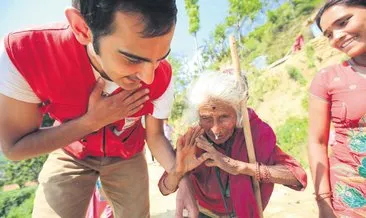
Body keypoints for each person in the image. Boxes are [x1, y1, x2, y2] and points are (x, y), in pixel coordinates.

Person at [0, 0, 198, 217]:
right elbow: (15, 148)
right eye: (131, 59)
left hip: (128, 155)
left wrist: (182, 176)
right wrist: (91, 122)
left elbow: (156, 136)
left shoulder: (162, 76)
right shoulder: (25, 54)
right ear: (82, 28)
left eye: (161, 57)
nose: (149, 77)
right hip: (70, 152)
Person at [158, 71, 307, 218]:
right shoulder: (194, 140)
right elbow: (164, 188)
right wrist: (179, 173)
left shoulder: (253, 135)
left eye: (224, 117)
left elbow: (297, 176)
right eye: (206, 118)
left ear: (238, 114)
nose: (216, 130)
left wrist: (240, 167)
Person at [308, 1, 366, 217]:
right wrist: (324, 204)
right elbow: (317, 142)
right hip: (353, 200)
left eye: (343, 22)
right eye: (329, 34)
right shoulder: (328, 79)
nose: (337, 37)